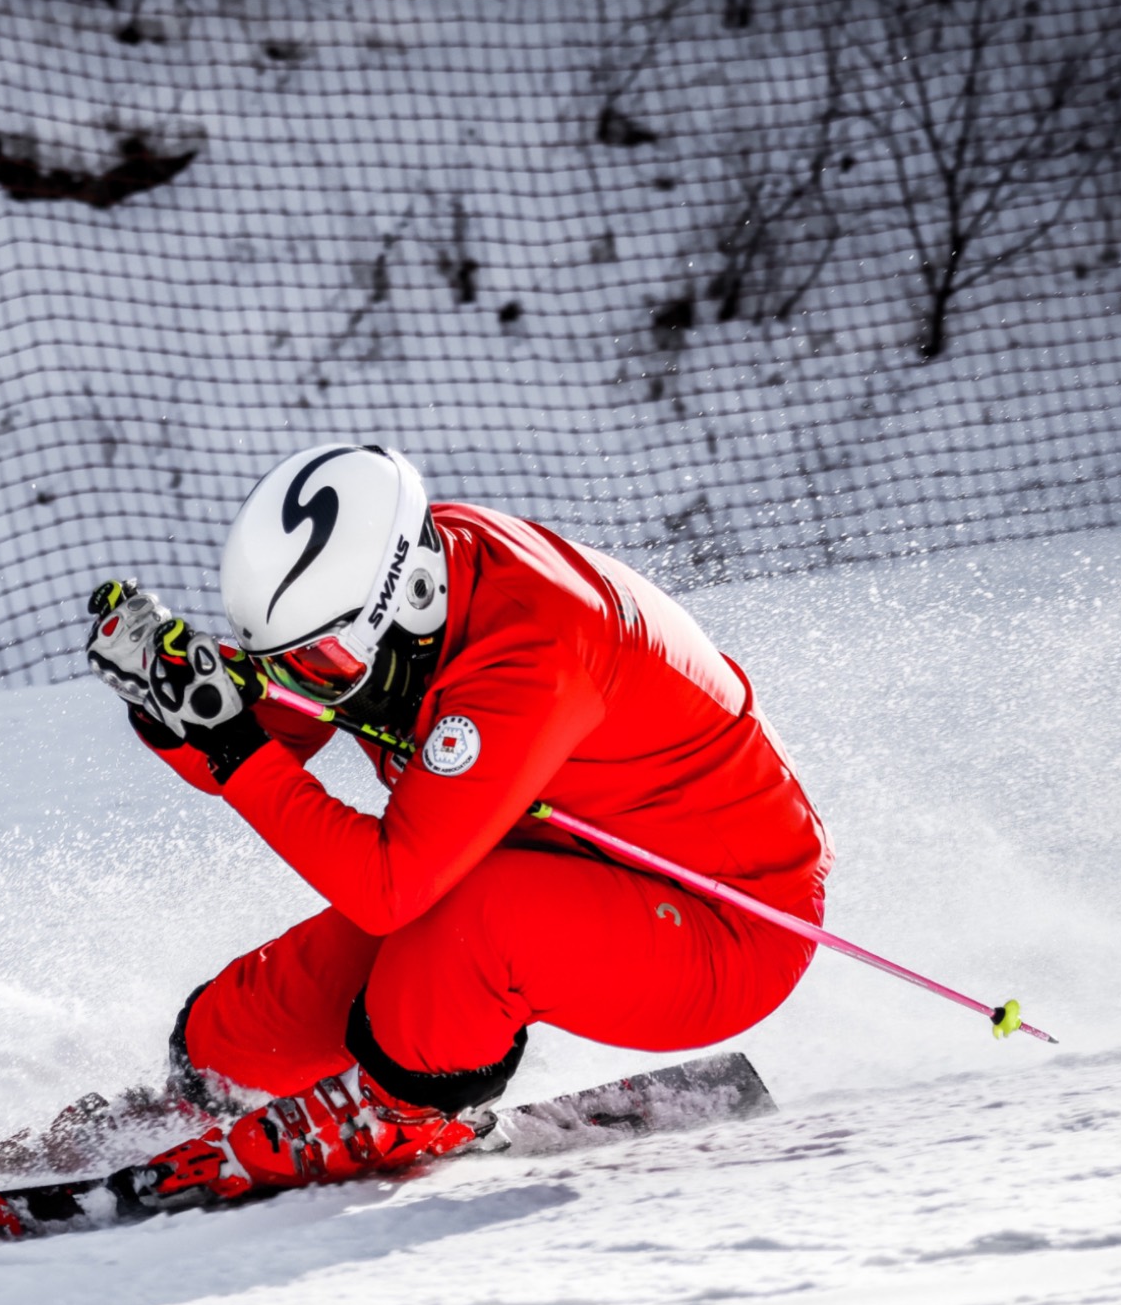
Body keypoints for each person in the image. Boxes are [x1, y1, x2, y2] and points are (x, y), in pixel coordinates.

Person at [82, 442, 830, 1211]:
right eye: (288, 663)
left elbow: (388, 887)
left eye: (325, 663)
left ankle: (398, 1113)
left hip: (726, 925)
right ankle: (199, 1099)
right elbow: (288, 727)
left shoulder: (534, 652)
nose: (312, 686)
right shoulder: (400, 594)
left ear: (406, 596)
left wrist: (237, 747)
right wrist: (182, 706)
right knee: (249, 1024)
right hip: (554, 861)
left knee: (472, 928)